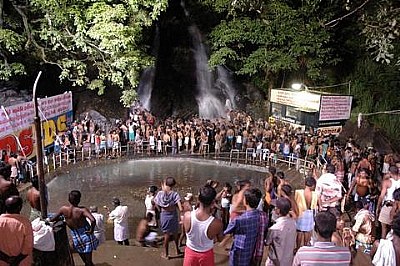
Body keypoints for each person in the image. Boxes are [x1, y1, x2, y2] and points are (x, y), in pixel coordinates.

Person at [50, 190, 98, 266]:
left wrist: (61, 218)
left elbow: (52, 219)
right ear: (79, 200)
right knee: (88, 261)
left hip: (75, 236)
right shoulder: (82, 210)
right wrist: (91, 230)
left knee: (85, 261)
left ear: (69, 199)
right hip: (86, 235)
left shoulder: (63, 209)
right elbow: (93, 220)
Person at [182, 186, 223, 266]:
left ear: (198, 199)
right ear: (212, 203)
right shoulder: (217, 223)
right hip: (206, 254)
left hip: (190, 253)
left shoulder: (187, 216)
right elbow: (220, 239)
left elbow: (186, 232)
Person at [224, 188, 262, 266]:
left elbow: (226, 231)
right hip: (250, 250)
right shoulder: (260, 215)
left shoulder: (239, 220)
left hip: (239, 252)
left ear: (245, 201)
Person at [153, 177, 183, 259]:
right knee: (175, 233)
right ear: (173, 185)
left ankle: (166, 254)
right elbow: (180, 208)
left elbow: (155, 202)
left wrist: (159, 210)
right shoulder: (175, 194)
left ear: (165, 183)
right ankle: (177, 250)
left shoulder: (160, 193)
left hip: (164, 214)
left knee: (166, 235)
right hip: (173, 214)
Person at [0, 196, 33, 266]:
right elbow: (28, 246)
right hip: (22, 262)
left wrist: (6, 259)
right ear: (19, 207)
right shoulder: (24, 223)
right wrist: (16, 261)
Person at [265, 197, 297, 266]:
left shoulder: (274, 228)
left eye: (275, 207)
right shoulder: (293, 223)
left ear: (278, 211)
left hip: (275, 262)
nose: (274, 209)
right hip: (288, 261)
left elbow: (267, 242)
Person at [377, 165, 400, 239]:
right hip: (398, 207)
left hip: (388, 206)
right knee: (395, 230)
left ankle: (382, 246)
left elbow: (381, 196)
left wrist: (378, 207)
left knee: (384, 229)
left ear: (390, 173)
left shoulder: (387, 182)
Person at [295, 177, 318, 248]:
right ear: (313, 185)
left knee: (299, 232)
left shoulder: (298, 192)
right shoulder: (315, 194)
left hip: (301, 213)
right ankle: (305, 247)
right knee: (307, 232)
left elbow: (295, 203)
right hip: (310, 213)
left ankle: (298, 248)